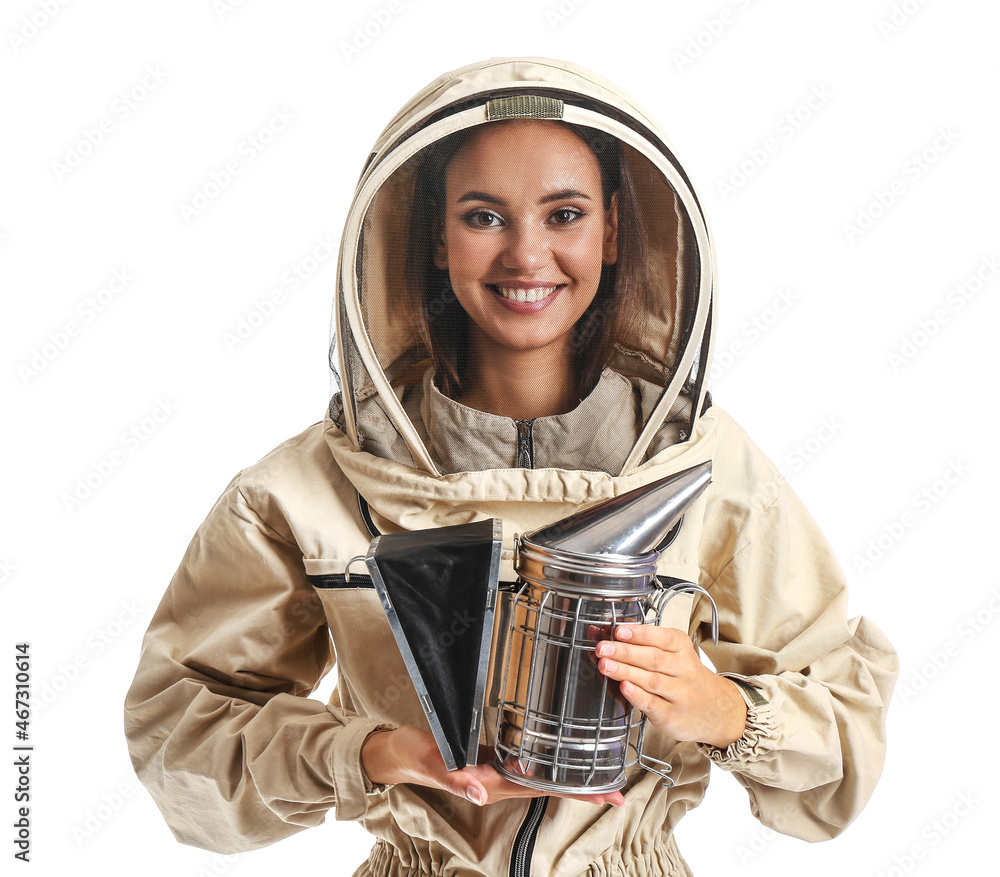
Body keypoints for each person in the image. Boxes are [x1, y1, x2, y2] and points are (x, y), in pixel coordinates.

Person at [124, 58, 898, 877]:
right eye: (484, 215)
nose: (527, 254)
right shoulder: (310, 487)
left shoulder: (704, 462)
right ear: (432, 237)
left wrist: (725, 710)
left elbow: (843, 743)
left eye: (564, 213)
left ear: (613, 230)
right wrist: (369, 754)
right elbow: (181, 733)